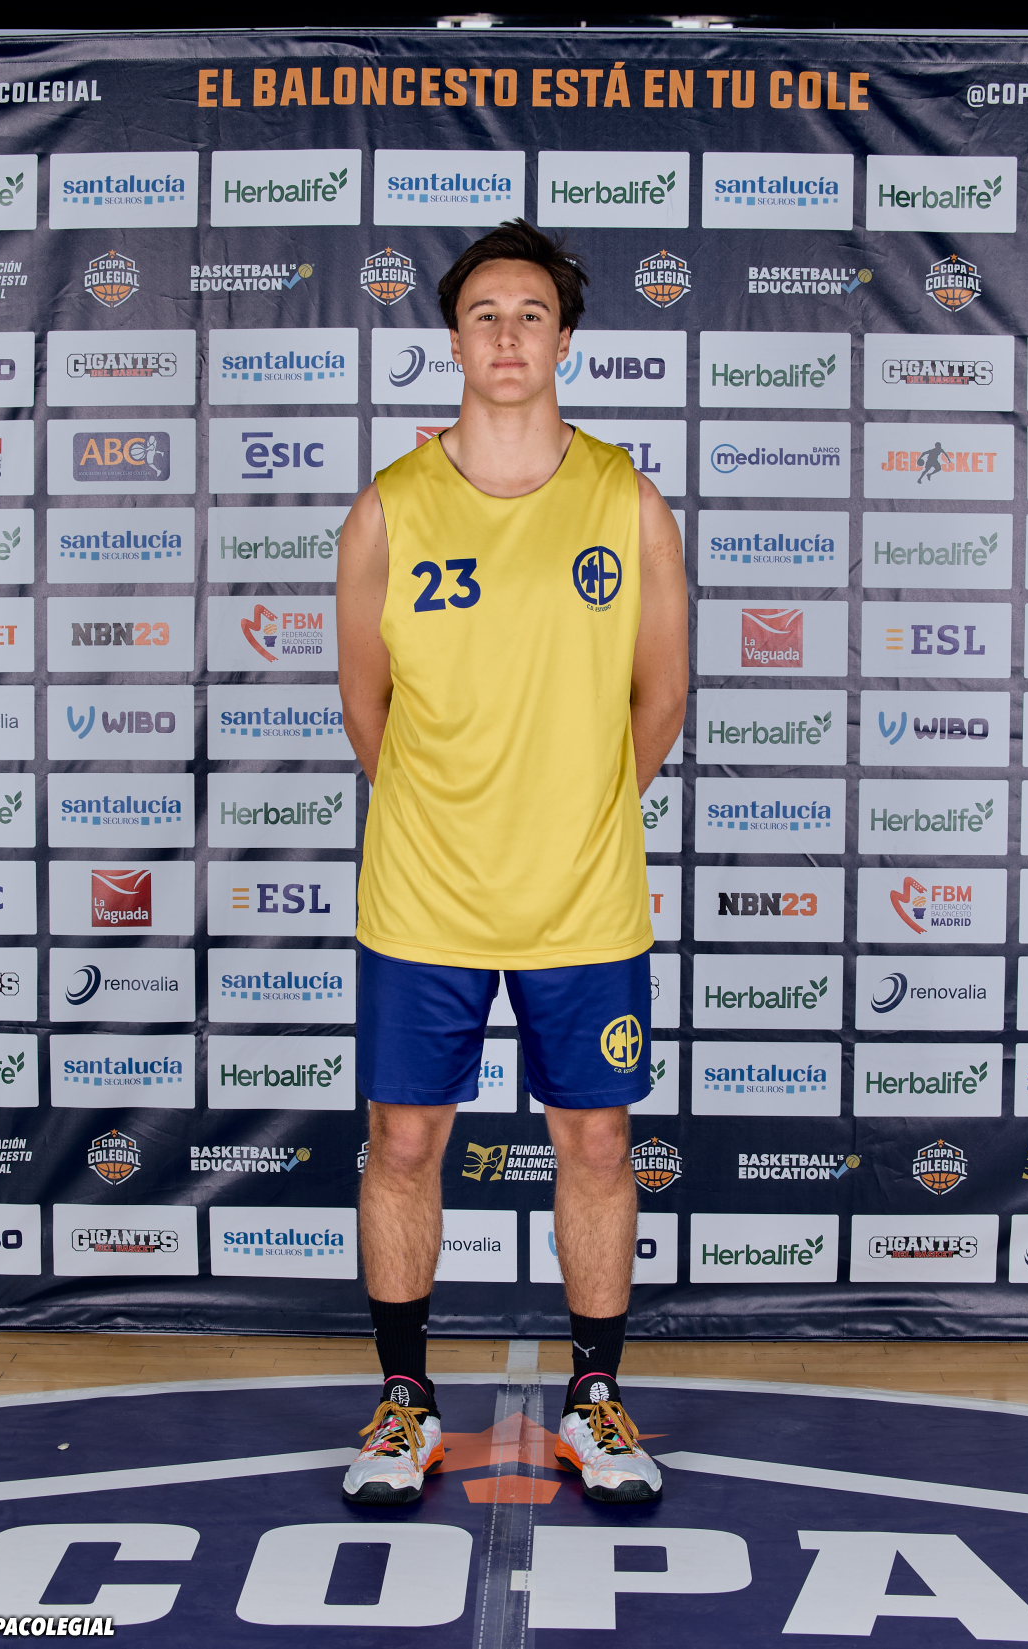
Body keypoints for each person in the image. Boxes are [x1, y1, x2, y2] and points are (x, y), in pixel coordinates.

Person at [336, 218, 688, 1507]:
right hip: (422, 895)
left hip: (581, 896)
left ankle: (596, 1400)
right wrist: (456, 818)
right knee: (402, 1139)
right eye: (484, 313)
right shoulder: (387, 509)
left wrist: (569, 814)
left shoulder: (626, 501)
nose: (506, 335)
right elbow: (367, 710)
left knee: (596, 1140)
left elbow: (662, 697)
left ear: (565, 340)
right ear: (452, 339)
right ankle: (404, 1401)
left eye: (530, 314)